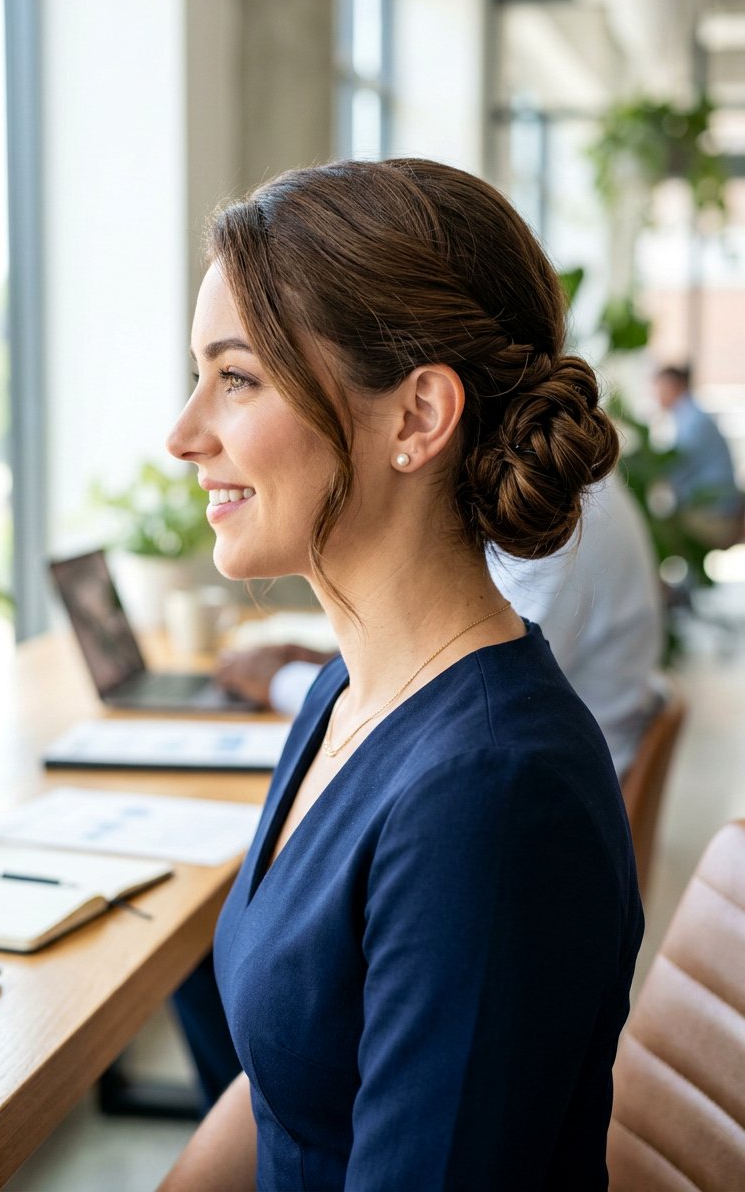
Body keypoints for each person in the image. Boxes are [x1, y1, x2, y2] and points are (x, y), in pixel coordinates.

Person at [159, 158, 643, 1192]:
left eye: (236, 376)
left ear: (416, 417)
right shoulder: (351, 692)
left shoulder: (490, 796)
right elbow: (292, 1076)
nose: (183, 434)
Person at [218, 472, 663, 781]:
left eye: (240, 380)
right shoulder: (534, 494)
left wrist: (284, 681)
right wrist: (339, 662)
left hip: (548, 802)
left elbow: (474, 689)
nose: (178, 441)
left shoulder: (553, 514)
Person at [653, 364, 743, 550]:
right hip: (717, 505)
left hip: (717, 512)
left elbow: (677, 469)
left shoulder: (692, 421)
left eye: (658, 388)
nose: (656, 396)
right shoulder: (690, 415)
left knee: (654, 531)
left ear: (673, 386)